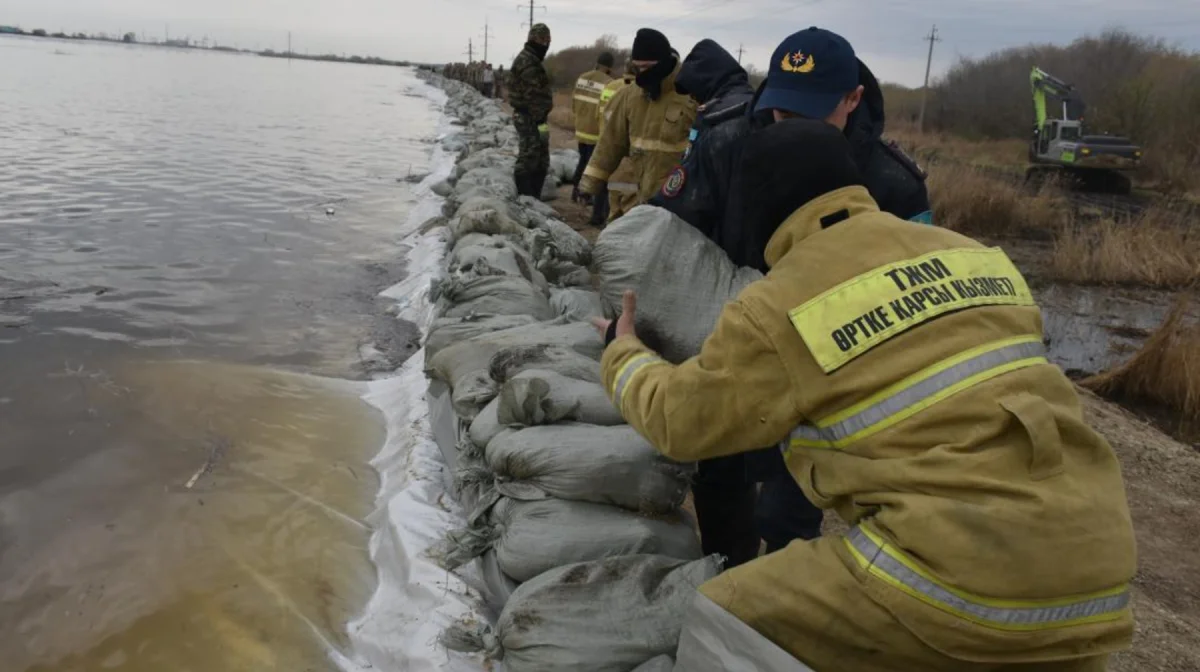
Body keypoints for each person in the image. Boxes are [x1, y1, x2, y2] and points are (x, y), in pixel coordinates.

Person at [593, 118, 1136, 671]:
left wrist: (622, 350)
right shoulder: (978, 257)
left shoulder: (779, 304)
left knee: (728, 612)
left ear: (755, 205)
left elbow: (679, 422)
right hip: (1099, 576)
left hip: (959, 577)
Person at [664, 28, 937, 568]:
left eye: (811, 115)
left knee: (791, 514)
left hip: (831, 375)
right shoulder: (726, 142)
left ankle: (776, 610)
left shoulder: (894, 185)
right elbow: (676, 235)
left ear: (853, 99)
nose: (788, 127)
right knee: (720, 487)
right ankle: (723, 583)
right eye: (782, 113)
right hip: (738, 351)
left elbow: (913, 296)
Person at [647, 39, 754, 240]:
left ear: (704, 81)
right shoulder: (749, 104)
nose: (694, 99)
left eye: (694, 92)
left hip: (717, 231)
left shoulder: (717, 117)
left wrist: (655, 211)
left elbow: (693, 192)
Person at [578, 29, 697, 209]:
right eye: (638, 67)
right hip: (638, 197)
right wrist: (589, 184)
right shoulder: (630, 96)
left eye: (648, 67)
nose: (642, 73)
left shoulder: (691, 95)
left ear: (665, 63)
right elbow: (610, 142)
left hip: (677, 201)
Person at [508, 24, 554, 197]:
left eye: (549, 41)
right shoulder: (527, 61)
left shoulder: (533, 59)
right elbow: (532, 95)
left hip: (537, 119)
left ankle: (534, 197)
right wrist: (539, 119)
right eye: (544, 40)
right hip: (529, 119)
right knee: (529, 157)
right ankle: (526, 198)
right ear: (533, 39)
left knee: (541, 158)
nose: (547, 44)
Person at [571, 52, 615, 216]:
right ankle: (586, 195)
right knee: (593, 167)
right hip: (595, 131)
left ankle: (576, 192)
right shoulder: (609, 83)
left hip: (580, 127)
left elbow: (574, 102)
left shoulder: (582, 77)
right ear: (609, 67)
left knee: (582, 160)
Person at [596, 61, 639, 223]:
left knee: (613, 212)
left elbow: (598, 114)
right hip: (632, 164)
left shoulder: (611, 87)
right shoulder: (643, 95)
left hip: (611, 156)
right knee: (631, 219)